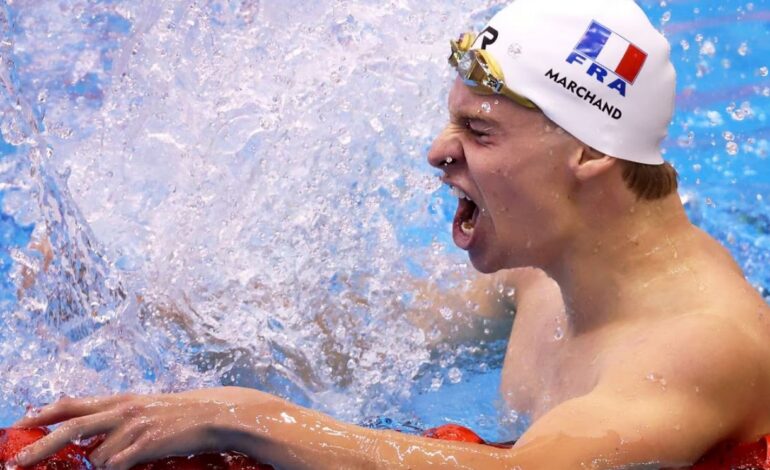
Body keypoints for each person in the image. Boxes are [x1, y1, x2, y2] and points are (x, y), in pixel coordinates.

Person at [12, 0, 770, 468]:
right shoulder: (543, 272)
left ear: (590, 153)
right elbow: (354, 344)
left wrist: (246, 417)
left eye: (478, 131)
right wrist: (131, 308)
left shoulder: (697, 347)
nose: (438, 152)